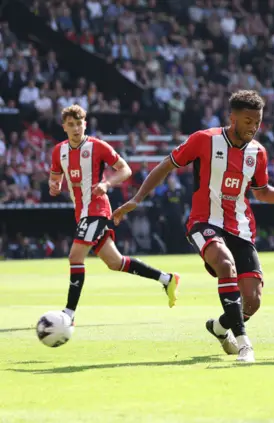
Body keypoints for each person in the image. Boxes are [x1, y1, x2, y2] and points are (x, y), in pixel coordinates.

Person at [112, 90, 274, 363]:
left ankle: (220, 328)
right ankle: (244, 344)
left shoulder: (258, 153)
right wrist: (137, 199)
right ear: (232, 117)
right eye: (247, 120)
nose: (253, 127)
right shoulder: (204, 140)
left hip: (241, 227)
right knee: (225, 263)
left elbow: (262, 191)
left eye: (257, 121)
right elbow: (166, 165)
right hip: (203, 222)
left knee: (252, 301)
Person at [48, 104, 180, 323]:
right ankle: (167, 279)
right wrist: (54, 185)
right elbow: (55, 178)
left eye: (79, 123)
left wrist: (107, 184)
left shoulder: (97, 146)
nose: (75, 128)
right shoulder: (58, 151)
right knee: (115, 262)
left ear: (85, 124)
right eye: (70, 125)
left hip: (97, 209)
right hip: (81, 212)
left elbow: (125, 169)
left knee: (75, 256)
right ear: (64, 127)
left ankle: (68, 314)